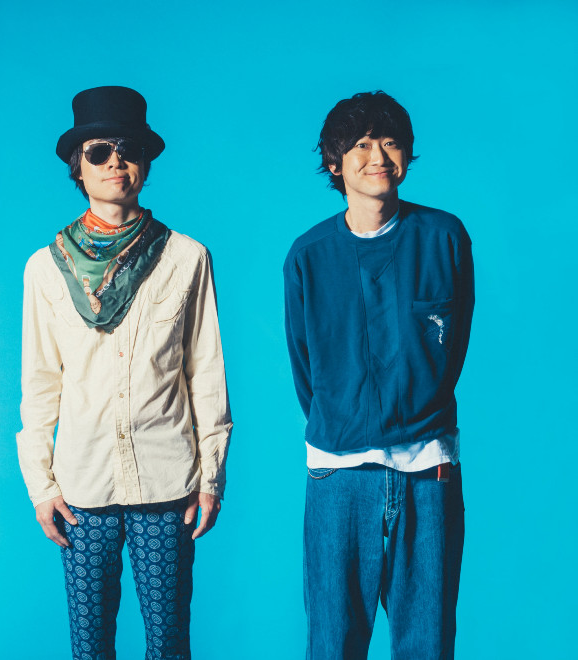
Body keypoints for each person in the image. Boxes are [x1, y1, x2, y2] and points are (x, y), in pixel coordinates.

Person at [17, 85, 232, 660]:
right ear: (78, 167)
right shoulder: (45, 268)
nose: (116, 162)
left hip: (167, 482)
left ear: (145, 163)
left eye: (129, 149)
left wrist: (211, 478)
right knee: (89, 647)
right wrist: (42, 487)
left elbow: (206, 374)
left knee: (169, 645)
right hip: (82, 488)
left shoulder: (186, 257)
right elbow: (39, 383)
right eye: (99, 152)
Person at [283, 91, 474, 659]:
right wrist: (344, 419)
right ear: (334, 162)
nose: (378, 157)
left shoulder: (444, 237)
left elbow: (455, 344)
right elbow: (304, 366)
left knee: (428, 643)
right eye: (361, 145)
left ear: (408, 155)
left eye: (391, 142)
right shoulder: (308, 256)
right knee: (333, 642)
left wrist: (420, 408)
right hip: (338, 474)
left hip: (428, 469)